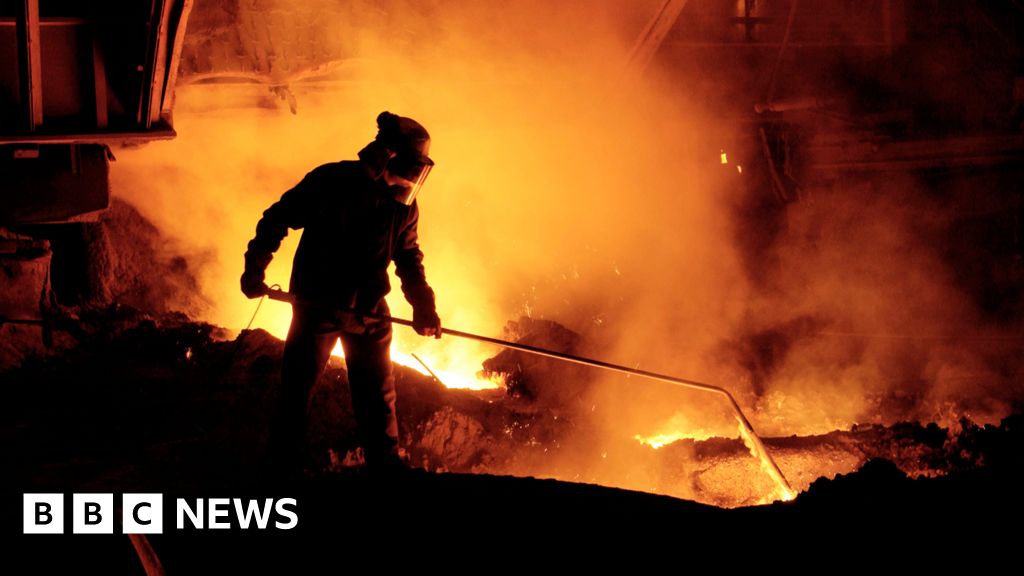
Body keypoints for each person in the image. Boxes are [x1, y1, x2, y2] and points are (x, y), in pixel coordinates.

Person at [240, 111, 441, 475]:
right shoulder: (332, 182)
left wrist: (424, 306)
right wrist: (255, 267)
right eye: (409, 166)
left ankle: (385, 467)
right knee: (297, 392)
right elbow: (278, 218)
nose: (412, 179)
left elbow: (409, 258)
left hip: (369, 311)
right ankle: (280, 469)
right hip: (318, 307)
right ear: (386, 156)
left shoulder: (403, 207)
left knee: (378, 397)